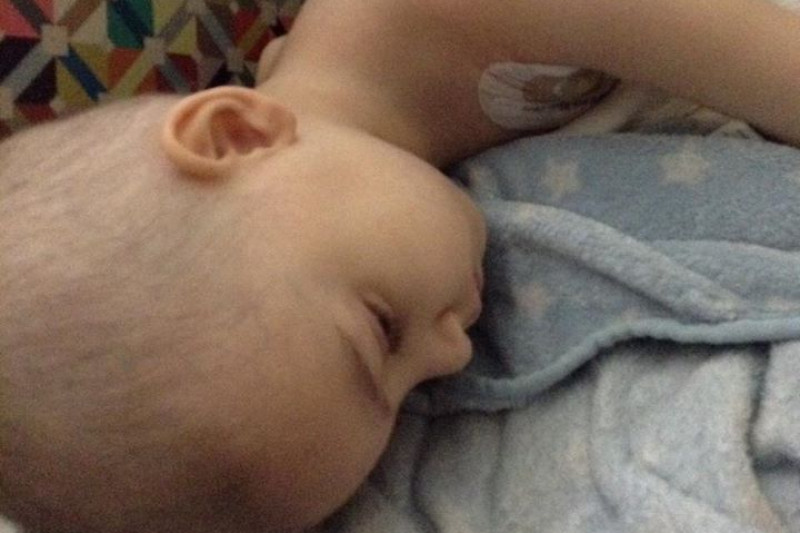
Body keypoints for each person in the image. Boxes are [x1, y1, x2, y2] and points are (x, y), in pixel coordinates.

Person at [2, 0, 800, 531]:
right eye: (408, 390)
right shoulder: (354, 176)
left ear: (238, 134)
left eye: (382, 330)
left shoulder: (442, 16)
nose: (451, 352)